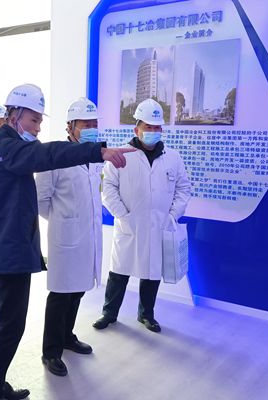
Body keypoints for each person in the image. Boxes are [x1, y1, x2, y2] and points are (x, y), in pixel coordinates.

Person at [0, 83, 134, 400]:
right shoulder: (6, 148)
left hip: (14, 247)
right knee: (9, 325)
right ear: (13, 116)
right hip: (9, 250)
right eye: (33, 120)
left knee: (9, 323)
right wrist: (98, 150)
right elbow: (47, 156)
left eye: (40, 121)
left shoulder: (6, 148)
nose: (38, 128)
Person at [93, 98, 191, 333]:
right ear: (136, 129)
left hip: (159, 224)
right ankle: (109, 313)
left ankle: (146, 314)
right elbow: (108, 188)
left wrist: (172, 215)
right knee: (119, 271)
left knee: (152, 272)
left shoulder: (172, 157)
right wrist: (122, 214)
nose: (153, 131)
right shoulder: (120, 155)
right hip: (129, 224)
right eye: (148, 127)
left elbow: (183, 188)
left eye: (157, 127)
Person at [35, 97, 103, 377]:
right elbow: (40, 200)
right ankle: (51, 351)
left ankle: (67, 336)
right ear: (70, 126)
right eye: (85, 124)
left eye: (94, 123)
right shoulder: (54, 157)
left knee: (78, 289)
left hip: (87, 236)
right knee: (61, 294)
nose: (91, 128)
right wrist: (64, 221)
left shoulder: (94, 156)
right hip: (65, 236)